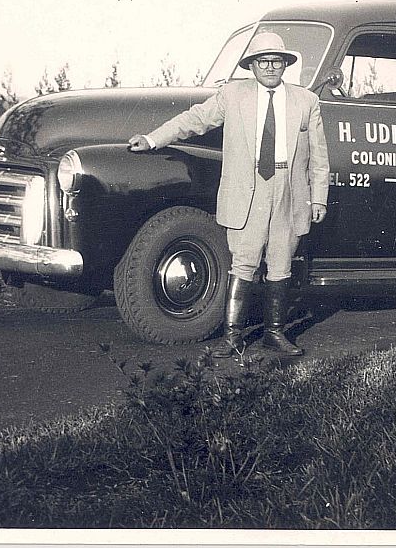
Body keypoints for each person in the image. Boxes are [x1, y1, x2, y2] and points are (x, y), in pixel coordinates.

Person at [128, 31, 329, 357]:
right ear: (252, 66)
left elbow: (319, 156)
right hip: (247, 189)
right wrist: (153, 139)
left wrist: (318, 198)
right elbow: (195, 120)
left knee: (281, 263)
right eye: (262, 61)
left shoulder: (306, 101)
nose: (269, 67)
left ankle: (274, 334)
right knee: (244, 262)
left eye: (275, 61)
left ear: (285, 64)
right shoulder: (233, 95)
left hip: (289, 191)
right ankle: (232, 338)